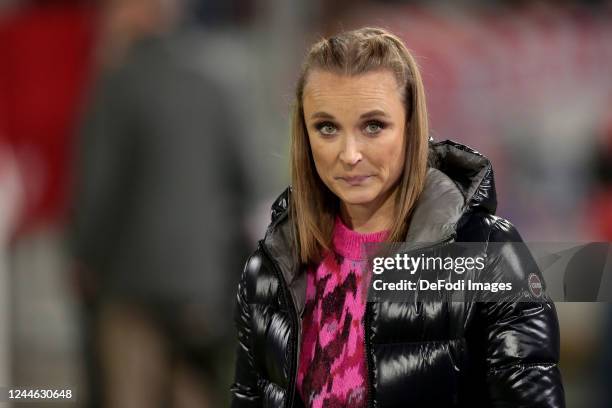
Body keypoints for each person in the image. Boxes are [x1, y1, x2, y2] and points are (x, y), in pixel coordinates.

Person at [230, 27, 564, 407]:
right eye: (327, 128)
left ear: (411, 127)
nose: (350, 153)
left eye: (373, 126)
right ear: (305, 137)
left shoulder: (487, 254)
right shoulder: (271, 268)